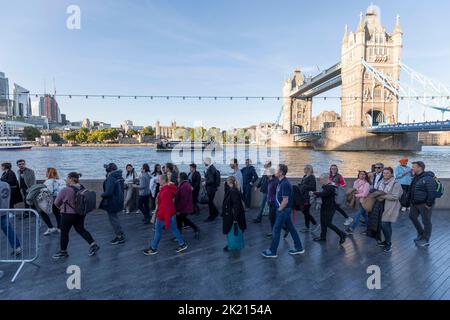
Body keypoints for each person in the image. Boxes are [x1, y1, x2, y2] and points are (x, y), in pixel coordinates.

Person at [52, 172, 99, 259]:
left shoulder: (66, 189)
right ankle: (93, 244)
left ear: (71, 179)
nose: (66, 180)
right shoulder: (82, 187)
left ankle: (63, 252)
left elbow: (56, 203)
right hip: (80, 213)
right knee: (81, 229)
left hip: (67, 214)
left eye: (67, 178)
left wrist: (61, 208)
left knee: (64, 233)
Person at [261, 164, 305, 258]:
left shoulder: (284, 184)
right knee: (292, 229)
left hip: (283, 210)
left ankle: (272, 252)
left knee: (276, 230)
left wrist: (279, 209)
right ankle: (299, 248)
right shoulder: (281, 182)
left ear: (281, 172)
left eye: (276, 170)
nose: (275, 171)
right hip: (285, 210)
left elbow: (285, 200)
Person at [143, 174, 188, 255]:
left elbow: (166, 207)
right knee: (174, 229)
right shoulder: (167, 189)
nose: (158, 181)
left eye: (159, 180)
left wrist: (166, 223)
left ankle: (153, 248)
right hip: (169, 214)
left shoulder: (165, 191)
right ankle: (182, 244)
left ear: (163, 180)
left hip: (163, 216)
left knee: (158, 231)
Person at [311, 173, 347, 245]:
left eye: (320, 179)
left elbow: (323, 194)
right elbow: (323, 194)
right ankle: (323, 237)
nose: (320, 181)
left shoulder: (330, 187)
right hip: (325, 207)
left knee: (328, 223)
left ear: (325, 179)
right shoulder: (326, 186)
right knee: (323, 222)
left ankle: (342, 234)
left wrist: (314, 193)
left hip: (330, 208)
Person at [409, 161, 437, 247]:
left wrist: (428, 204)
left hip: (424, 204)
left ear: (420, 167)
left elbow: (432, 192)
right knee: (412, 217)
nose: (412, 168)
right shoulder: (416, 177)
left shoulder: (428, 178)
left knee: (426, 221)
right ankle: (421, 234)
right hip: (415, 203)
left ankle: (426, 239)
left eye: (414, 167)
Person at [376, 167, 403, 253]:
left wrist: (382, 196)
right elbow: (378, 191)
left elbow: (396, 196)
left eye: (387, 173)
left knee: (385, 224)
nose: (385, 174)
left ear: (391, 174)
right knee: (384, 224)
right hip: (381, 205)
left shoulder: (396, 183)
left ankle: (388, 243)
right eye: (384, 173)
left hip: (391, 206)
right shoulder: (381, 182)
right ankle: (386, 240)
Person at [99, 163, 125, 245]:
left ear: (109, 170)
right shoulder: (119, 177)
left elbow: (109, 192)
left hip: (112, 201)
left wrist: (102, 194)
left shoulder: (111, 178)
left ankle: (119, 237)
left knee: (113, 219)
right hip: (119, 200)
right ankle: (120, 233)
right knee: (115, 218)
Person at [222, 176, 246, 252]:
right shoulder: (234, 190)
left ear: (229, 182)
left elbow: (236, 206)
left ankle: (232, 246)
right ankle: (231, 245)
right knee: (232, 232)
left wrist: (235, 219)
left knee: (232, 232)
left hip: (232, 216)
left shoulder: (233, 191)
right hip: (232, 215)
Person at [0, 180, 23, 257]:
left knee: (9, 230)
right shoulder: (6, 184)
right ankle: (17, 247)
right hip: (5, 210)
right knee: (9, 230)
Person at [175, 172, 200, 238]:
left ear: (181, 178)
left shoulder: (184, 186)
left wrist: (178, 209)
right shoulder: (184, 184)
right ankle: (195, 228)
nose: (177, 178)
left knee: (180, 221)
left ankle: (179, 235)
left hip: (183, 208)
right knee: (183, 220)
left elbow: (183, 199)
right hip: (184, 207)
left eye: (178, 177)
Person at [298, 165, 319, 233]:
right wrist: (300, 185)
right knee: (305, 212)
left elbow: (313, 187)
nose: (303, 169)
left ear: (308, 169)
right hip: (303, 196)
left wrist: (303, 186)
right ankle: (308, 226)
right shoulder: (304, 176)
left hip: (308, 197)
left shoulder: (312, 177)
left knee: (305, 211)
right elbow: (303, 185)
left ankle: (314, 224)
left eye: (305, 168)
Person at [43, 168, 65, 234]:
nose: (45, 174)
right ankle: (59, 228)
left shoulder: (48, 181)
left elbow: (49, 191)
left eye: (46, 172)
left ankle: (50, 227)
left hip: (51, 199)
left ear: (48, 173)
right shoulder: (61, 180)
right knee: (57, 213)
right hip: (60, 199)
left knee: (42, 211)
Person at [203, 157, 219, 222]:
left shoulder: (210, 169)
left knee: (210, 202)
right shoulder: (212, 168)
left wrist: (205, 182)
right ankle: (216, 213)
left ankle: (211, 216)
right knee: (210, 202)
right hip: (212, 188)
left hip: (211, 189)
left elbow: (211, 180)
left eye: (204, 161)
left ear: (207, 162)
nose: (203, 163)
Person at [265, 168, 280, 238]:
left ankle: (275, 232)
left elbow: (277, 192)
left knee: (272, 217)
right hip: (270, 202)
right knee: (271, 218)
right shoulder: (269, 181)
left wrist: (272, 200)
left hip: (274, 202)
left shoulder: (275, 182)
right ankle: (273, 231)